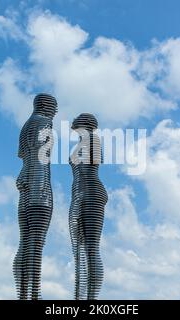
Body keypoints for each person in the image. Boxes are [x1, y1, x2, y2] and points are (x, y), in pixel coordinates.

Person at [13, 93, 57, 300]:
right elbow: (41, 160)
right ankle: (33, 296)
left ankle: (22, 295)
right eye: (54, 107)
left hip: (24, 186)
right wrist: (39, 191)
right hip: (38, 192)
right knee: (36, 245)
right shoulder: (45, 123)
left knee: (24, 242)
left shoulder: (26, 126)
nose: (56, 112)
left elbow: (24, 157)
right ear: (47, 106)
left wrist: (27, 188)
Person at [69, 113, 107, 300]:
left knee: (91, 249)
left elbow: (86, 170)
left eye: (77, 118)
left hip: (90, 193)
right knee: (82, 250)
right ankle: (81, 297)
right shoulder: (84, 141)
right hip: (84, 193)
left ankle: (90, 300)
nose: (73, 120)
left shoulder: (92, 139)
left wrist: (79, 197)